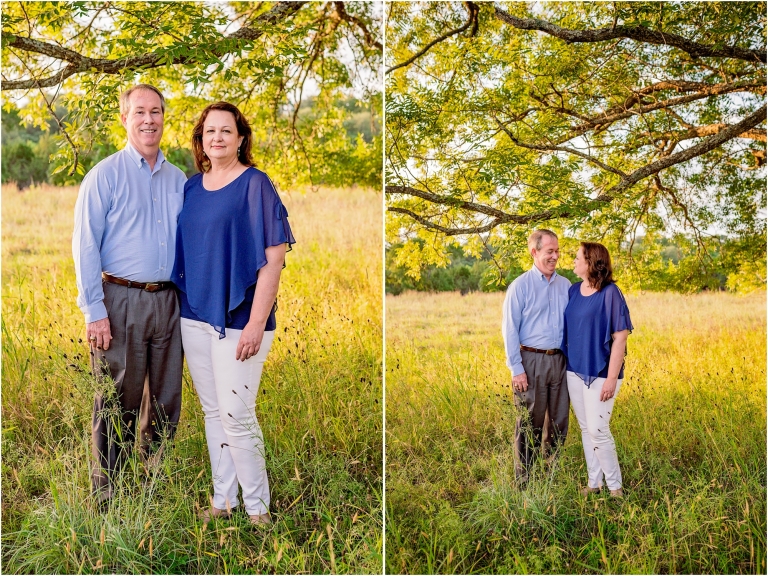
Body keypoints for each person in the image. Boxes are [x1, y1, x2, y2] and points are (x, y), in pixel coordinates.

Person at [172, 102, 295, 526]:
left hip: (242, 318)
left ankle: (258, 509)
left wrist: (257, 325)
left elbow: (273, 259)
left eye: (226, 131)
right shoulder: (191, 186)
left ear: (241, 138)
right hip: (194, 313)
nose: (218, 138)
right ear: (201, 140)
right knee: (212, 412)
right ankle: (222, 501)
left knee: (237, 415)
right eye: (210, 132)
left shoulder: (256, 185)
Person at [73, 84, 187, 507]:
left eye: (156, 111)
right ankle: (109, 500)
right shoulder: (104, 175)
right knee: (116, 399)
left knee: (165, 399)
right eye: (139, 111)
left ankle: (152, 490)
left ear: (163, 118)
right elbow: (84, 245)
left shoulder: (179, 180)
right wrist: (94, 311)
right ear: (124, 118)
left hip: (169, 302)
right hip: (119, 300)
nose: (148, 120)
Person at [562, 242, 633, 498]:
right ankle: (594, 483)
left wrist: (612, 379)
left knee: (598, 430)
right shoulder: (573, 291)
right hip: (574, 369)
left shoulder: (610, 293)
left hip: (602, 372)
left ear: (590, 261)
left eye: (577, 256)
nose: (573, 261)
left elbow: (621, 337)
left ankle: (615, 488)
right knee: (585, 428)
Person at [502, 229, 571, 483]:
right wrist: (516, 368)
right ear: (534, 252)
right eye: (549, 251)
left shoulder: (566, 285)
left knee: (559, 420)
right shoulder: (520, 286)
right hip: (531, 361)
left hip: (560, 361)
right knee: (530, 421)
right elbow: (509, 329)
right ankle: (525, 480)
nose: (555, 256)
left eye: (557, 251)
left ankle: (551, 475)